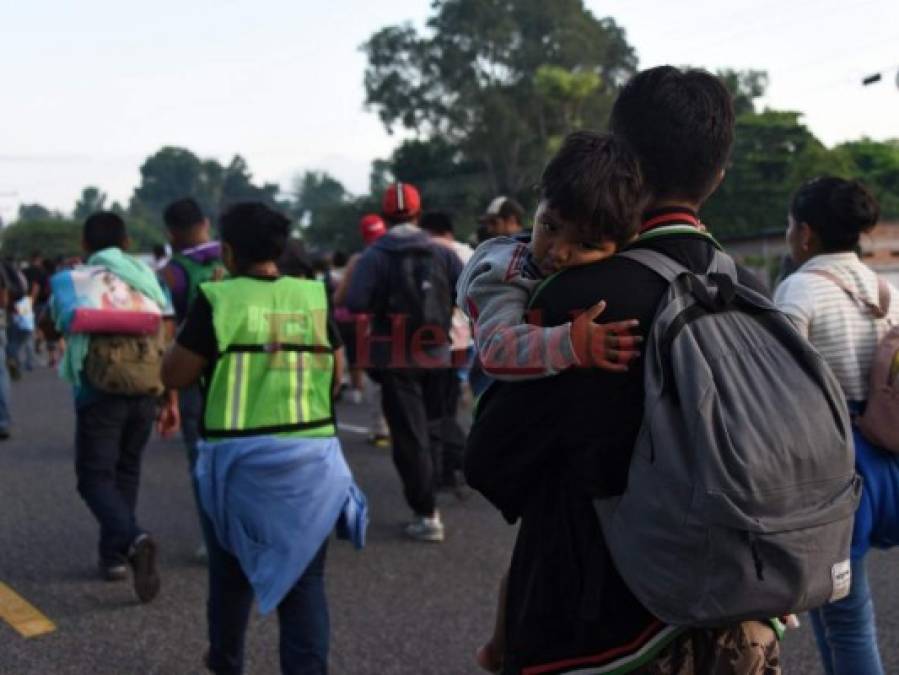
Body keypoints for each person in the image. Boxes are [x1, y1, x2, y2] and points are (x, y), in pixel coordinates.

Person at [465, 66, 779, 674]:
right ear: (717, 175)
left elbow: (490, 461)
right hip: (739, 601)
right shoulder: (751, 289)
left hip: (598, 616)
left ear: (620, 158)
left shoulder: (574, 301)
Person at [458, 131, 645, 672]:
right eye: (550, 226)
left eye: (584, 245)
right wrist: (573, 343)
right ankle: (503, 642)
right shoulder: (506, 271)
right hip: (506, 390)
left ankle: (499, 644)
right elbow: (495, 349)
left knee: (533, 549)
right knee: (536, 547)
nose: (558, 251)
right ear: (536, 208)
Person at [162, 201, 365, 675]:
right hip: (311, 461)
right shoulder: (311, 296)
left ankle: (226, 661)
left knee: (230, 576)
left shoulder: (218, 299)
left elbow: (173, 373)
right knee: (305, 583)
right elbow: (335, 371)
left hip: (237, 465)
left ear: (227, 251)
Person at [774, 177, 899, 675]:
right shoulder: (882, 289)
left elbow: (776, 389)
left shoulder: (798, 290)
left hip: (834, 474)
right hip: (888, 458)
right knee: (834, 616)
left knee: (845, 618)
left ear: (806, 234)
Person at [51, 211, 178, 600]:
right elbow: (167, 331)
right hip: (146, 384)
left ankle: (133, 540)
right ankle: (114, 557)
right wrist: (167, 394)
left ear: (85, 244)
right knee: (126, 470)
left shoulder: (78, 278)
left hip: (99, 390)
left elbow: (63, 321)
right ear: (126, 243)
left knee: (93, 477)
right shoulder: (150, 280)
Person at [345, 183, 463, 542]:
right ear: (418, 212)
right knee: (435, 424)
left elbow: (355, 301)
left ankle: (426, 513)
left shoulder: (375, 255)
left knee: (409, 436)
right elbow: (466, 291)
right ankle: (439, 487)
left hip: (394, 355)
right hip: (438, 351)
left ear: (383, 216)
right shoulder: (442, 252)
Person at [160, 197, 226, 560]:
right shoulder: (233, 258)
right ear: (205, 222)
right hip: (240, 371)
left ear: (170, 233)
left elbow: (167, 331)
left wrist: (167, 391)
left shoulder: (172, 272)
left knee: (201, 459)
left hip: (193, 373)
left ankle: (213, 539)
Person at [420, 211, 477, 491]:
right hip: (466, 342)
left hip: (438, 343)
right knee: (448, 406)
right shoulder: (471, 252)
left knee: (437, 410)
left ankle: (455, 463)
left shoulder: (431, 253)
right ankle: (452, 465)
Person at [333, 214, 390, 441]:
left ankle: (381, 429)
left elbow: (340, 298)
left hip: (374, 326)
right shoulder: (410, 251)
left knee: (378, 382)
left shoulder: (361, 260)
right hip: (415, 328)